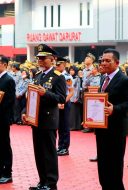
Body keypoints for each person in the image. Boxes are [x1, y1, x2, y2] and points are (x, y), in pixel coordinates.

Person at [22, 44, 66, 190]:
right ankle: (42, 181)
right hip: (35, 119)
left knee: (49, 152)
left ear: (52, 59)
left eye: (43, 58)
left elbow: (61, 98)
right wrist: (25, 111)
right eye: (39, 58)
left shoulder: (58, 77)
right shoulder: (38, 76)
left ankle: (51, 183)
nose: (40, 60)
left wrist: (45, 93)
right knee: (39, 152)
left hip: (48, 119)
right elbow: (31, 97)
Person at [95, 48, 128, 190]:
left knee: (114, 165)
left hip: (116, 129)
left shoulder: (125, 80)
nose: (104, 63)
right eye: (102, 60)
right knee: (102, 164)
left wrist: (115, 109)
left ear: (117, 62)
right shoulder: (103, 78)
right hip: (101, 128)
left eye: (108, 61)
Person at [0, 56, 15, 184]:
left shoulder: (9, 80)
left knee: (4, 145)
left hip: (3, 118)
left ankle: (7, 173)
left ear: (4, 64)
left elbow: (10, 101)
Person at [55, 57, 74, 156]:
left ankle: (65, 148)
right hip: (58, 104)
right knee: (59, 125)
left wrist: (63, 102)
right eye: (56, 65)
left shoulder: (67, 77)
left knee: (65, 125)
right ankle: (60, 146)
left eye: (59, 65)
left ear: (64, 65)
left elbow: (71, 92)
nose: (57, 66)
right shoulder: (56, 75)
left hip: (65, 103)